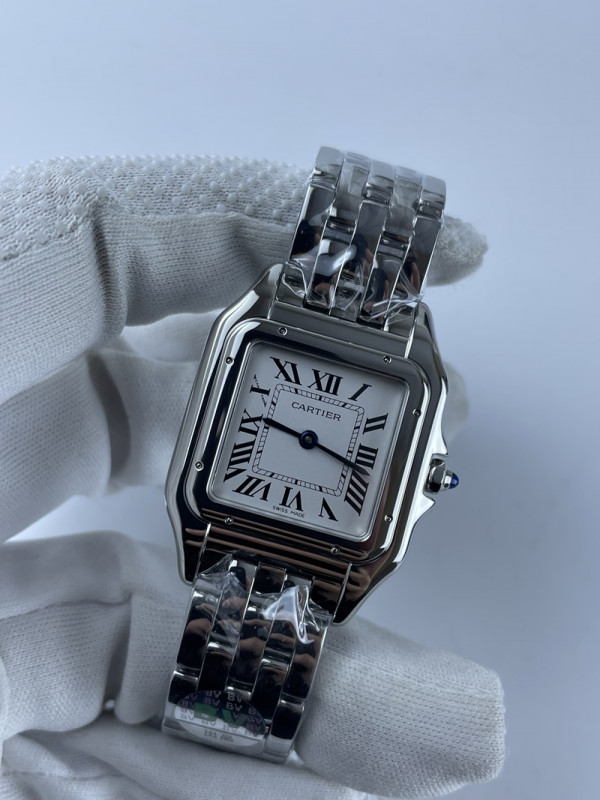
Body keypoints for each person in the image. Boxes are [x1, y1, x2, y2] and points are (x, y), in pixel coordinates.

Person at [0, 153, 504, 799]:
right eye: (304, 435)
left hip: (303, 562)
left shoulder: (402, 372)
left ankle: (229, 724)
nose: (309, 440)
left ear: (423, 479)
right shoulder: (258, 331)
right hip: (236, 539)